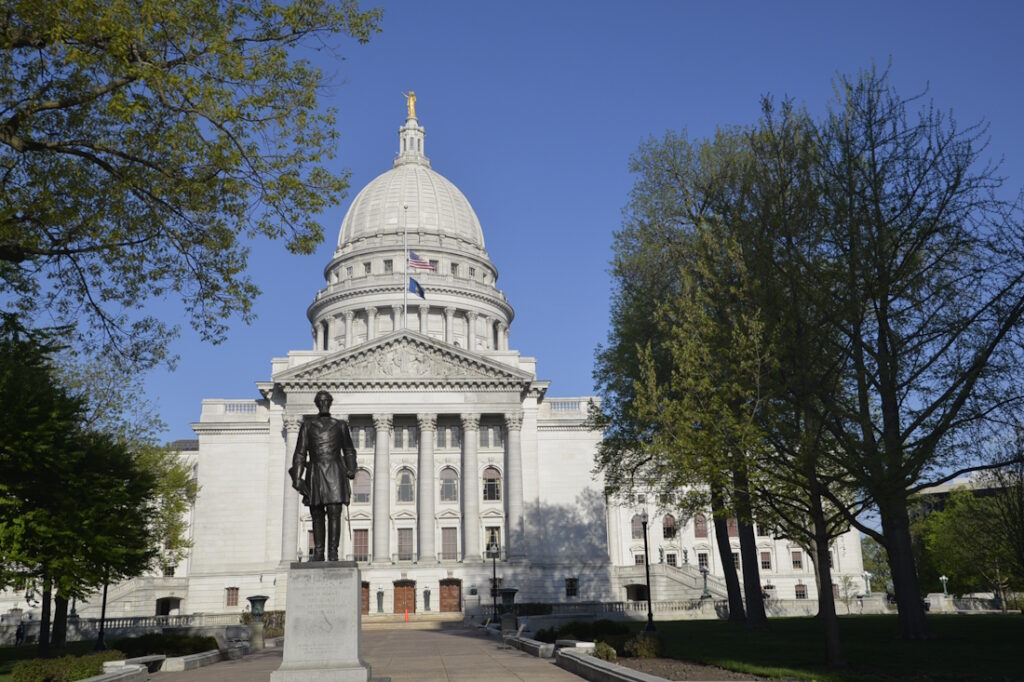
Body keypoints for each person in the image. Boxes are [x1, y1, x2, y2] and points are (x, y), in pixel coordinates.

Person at [289, 390, 357, 562]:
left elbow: (349, 449)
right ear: (317, 404)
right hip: (315, 471)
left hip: (335, 470)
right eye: (321, 401)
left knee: (335, 512)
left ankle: (333, 551)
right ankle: (319, 552)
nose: (324, 403)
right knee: (317, 513)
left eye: (327, 401)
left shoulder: (340, 425)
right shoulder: (307, 426)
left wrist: (351, 468)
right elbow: (300, 453)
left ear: (330, 403)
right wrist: (297, 477)